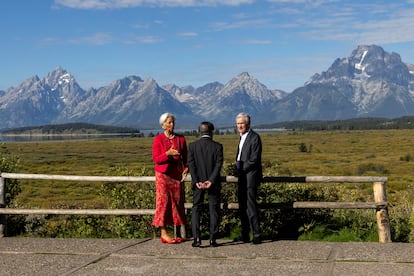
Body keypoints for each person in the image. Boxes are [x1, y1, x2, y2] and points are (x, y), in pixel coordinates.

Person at [152, 112, 188, 244]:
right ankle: (164, 233)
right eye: (168, 122)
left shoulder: (181, 139)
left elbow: (186, 158)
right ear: (163, 125)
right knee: (163, 202)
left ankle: (177, 232)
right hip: (163, 175)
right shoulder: (158, 139)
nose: (171, 124)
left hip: (176, 175)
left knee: (177, 203)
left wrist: (186, 170)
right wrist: (168, 153)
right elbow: (156, 159)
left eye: (172, 122)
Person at [188, 121, 223, 247]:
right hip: (213, 184)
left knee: (196, 209)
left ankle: (197, 239)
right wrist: (211, 180)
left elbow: (191, 165)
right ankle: (213, 239)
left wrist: (196, 181)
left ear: (200, 131)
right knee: (213, 210)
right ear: (211, 132)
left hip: (198, 183)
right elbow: (218, 165)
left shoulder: (192, 146)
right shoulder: (218, 147)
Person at [234, 112, 262, 244]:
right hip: (242, 177)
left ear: (248, 124)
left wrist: (241, 169)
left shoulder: (254, 138)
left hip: (250, 177)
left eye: (242, 123)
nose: (240, 126)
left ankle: (256, 234)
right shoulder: (242, 137)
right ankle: (245, 234)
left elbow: (254, 160)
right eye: (238, 124)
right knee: (242, 206)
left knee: (251, 206)